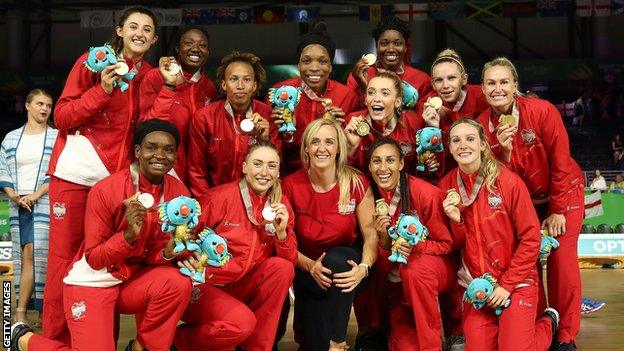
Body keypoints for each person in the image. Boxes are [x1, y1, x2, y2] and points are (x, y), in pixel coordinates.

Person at [11, 119, 193, 351]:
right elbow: (94, 258)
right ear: (137, 151)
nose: (160, 155)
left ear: (176, 155)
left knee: (178, 282)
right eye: (151, 147)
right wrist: (127, 236)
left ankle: (142, 347)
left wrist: (168, 252)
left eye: (168, 150)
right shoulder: (107, 189)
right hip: (94, 280)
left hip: (131, 280)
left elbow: (152, 255)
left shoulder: (179, 194)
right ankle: (24, 340)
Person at [44, 6, 159, 344]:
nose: (139, 32)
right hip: (75, 179)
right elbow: (62, 117)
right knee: (63, 265)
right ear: (120, 30)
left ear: (153, 39)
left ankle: (98, 341)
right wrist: (103, 90)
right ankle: (54, 342)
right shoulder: (91, 61)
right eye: (133, 25)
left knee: (103, 265)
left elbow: (151, 128)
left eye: (147, 29)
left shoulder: (150, 74)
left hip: (116, 186)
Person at [476, 57, 584, 351]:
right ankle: (543, 325)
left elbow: (561, 163)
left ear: (516, 86)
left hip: (564, 193)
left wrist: (557, 209)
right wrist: (502, 150)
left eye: (503, 82)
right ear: (483, 90)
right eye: (491, 83)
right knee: (526, 264)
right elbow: (496, 181)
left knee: (562, 263)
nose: (498, 88)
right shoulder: (481, 129)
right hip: (524, 203)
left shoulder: (543, 111)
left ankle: (566, 335)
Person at [439, 118, 559, 351]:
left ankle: (548, 323)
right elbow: (452, 246)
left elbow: (531, 237)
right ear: (450, 148)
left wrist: (506, 284)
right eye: (456, 140)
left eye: (470, 139)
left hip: (516, 282)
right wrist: (456, 221)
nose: (463, 145)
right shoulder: (446, 187)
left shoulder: (508, 181)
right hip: (477, 287)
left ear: (483, 144)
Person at [174, 141, 297, 351]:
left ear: (278, 172)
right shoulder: (219, 198)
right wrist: (187, 256)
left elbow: (290, 259)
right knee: (240, 324)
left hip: (242, 285)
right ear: (244, 167)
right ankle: (171, 342)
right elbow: (180, 234)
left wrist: (282, 232)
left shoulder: (280, 204)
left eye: (272, 166)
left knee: (282, 268)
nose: (264, 172)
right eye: (257, 164)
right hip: (206, 285)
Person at [282, 118, 377, 351]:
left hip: (348, 267)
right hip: (307, 269)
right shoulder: (290, 185)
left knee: (337, 260)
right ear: (306, 148)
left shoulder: (356, 182)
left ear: (338, 148)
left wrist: (363, 269)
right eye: (315, 142)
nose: (321, 148)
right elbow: (284, 240)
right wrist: (309, 266)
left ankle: (338, 342)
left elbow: (371, 235)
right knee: (312, 344)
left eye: (329, 142)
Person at [364, 138, 458, 351]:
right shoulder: (370, 199)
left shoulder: (425, 194)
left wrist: (415, 248)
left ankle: (433, 345)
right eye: (376, 161)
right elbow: (385, 269)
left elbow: (447, 245)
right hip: (401, 287)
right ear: (369, 167)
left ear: (401, 163)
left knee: (415, 268)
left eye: (390, 160)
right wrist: (386, 241)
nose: (383, 168)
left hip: (435, 272)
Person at [0, 89, 58, 327]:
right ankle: (24, 312)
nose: (45, 109)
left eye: (49, 105)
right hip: (18, 204)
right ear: (27, 105)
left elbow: (58, 169)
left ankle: (34, 311)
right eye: (40, 104)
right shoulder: (11, 138)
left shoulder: (56, 137)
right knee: (25, 256)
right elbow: (3, 167)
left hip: (45, 202)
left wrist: (36, 194)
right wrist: (13, 194)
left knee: (41, 255)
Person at [270, 20, 359, 174]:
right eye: (306, 61)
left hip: (333, 176)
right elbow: (271, 147)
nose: (314, 68)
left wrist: (340, 131)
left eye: (322, 61)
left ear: (330, 67)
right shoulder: (281, 92)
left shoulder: (347, 95)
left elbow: (353, 147)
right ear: (298, 65)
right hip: (291, 176)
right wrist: (287, 136)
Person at [187, 51, 277, 199]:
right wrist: (209, 204)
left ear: (255, 85)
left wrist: (265, 140)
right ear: (223, 84)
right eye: (233, 79)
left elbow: (276, 166)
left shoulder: (267, 116)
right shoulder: (205, 117)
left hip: (258, 198)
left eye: (247, 80)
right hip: (216, 199)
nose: (240, 86)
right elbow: (196, 171)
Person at [139, 26, 218, 183]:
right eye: (188, 43)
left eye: (202, 45)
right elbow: (147, 125)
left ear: (208, 52)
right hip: (164, 164)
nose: (195, 49)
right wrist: (169, 85)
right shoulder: (155, 77)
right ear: (177, 48)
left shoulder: (209, 88)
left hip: (198, 169)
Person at [419, 49, 489, 177]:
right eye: (439, 80)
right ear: (433, 84)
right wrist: (433, 128)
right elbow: (430, 164)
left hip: (483, 170)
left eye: (451, 78)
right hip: (446, 175)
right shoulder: (425, 107)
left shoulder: (482, 96)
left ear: (464, 79)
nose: (445, 85)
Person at [343, 71, 426, 174]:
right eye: (371, 93)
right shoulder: (352, 123)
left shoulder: (414, 123)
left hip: (402, 185)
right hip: (362, 185)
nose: (376, 99)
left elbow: (421, 169)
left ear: (397, 102)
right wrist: (350, 149)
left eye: (385, 93)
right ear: (365, 99)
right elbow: (342, 174)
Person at [348, 16, 432, 108]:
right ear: (376, 47)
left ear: (405, 48)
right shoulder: (360, 76)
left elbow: (424, 116)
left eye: (397, 43)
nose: (391, 49)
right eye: (384, 43)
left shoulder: (422, 79)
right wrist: (363, 88)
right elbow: (353, 111)